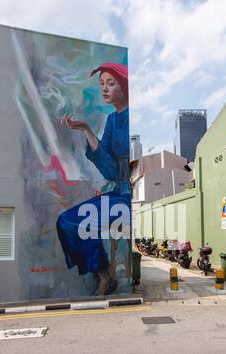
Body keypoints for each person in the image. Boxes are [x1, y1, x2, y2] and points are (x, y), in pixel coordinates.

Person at [56, 62, 130, 296]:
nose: (104, 89)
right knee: (67, 221)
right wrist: (87, 129)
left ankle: (105, 278)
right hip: (117, 192)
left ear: (125, 86)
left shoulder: (131, 118)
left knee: (78, 222)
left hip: (131, 197)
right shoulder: (112, 120)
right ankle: (104, 276)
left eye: (111, 83)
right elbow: (109, 170)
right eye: (101, 84)